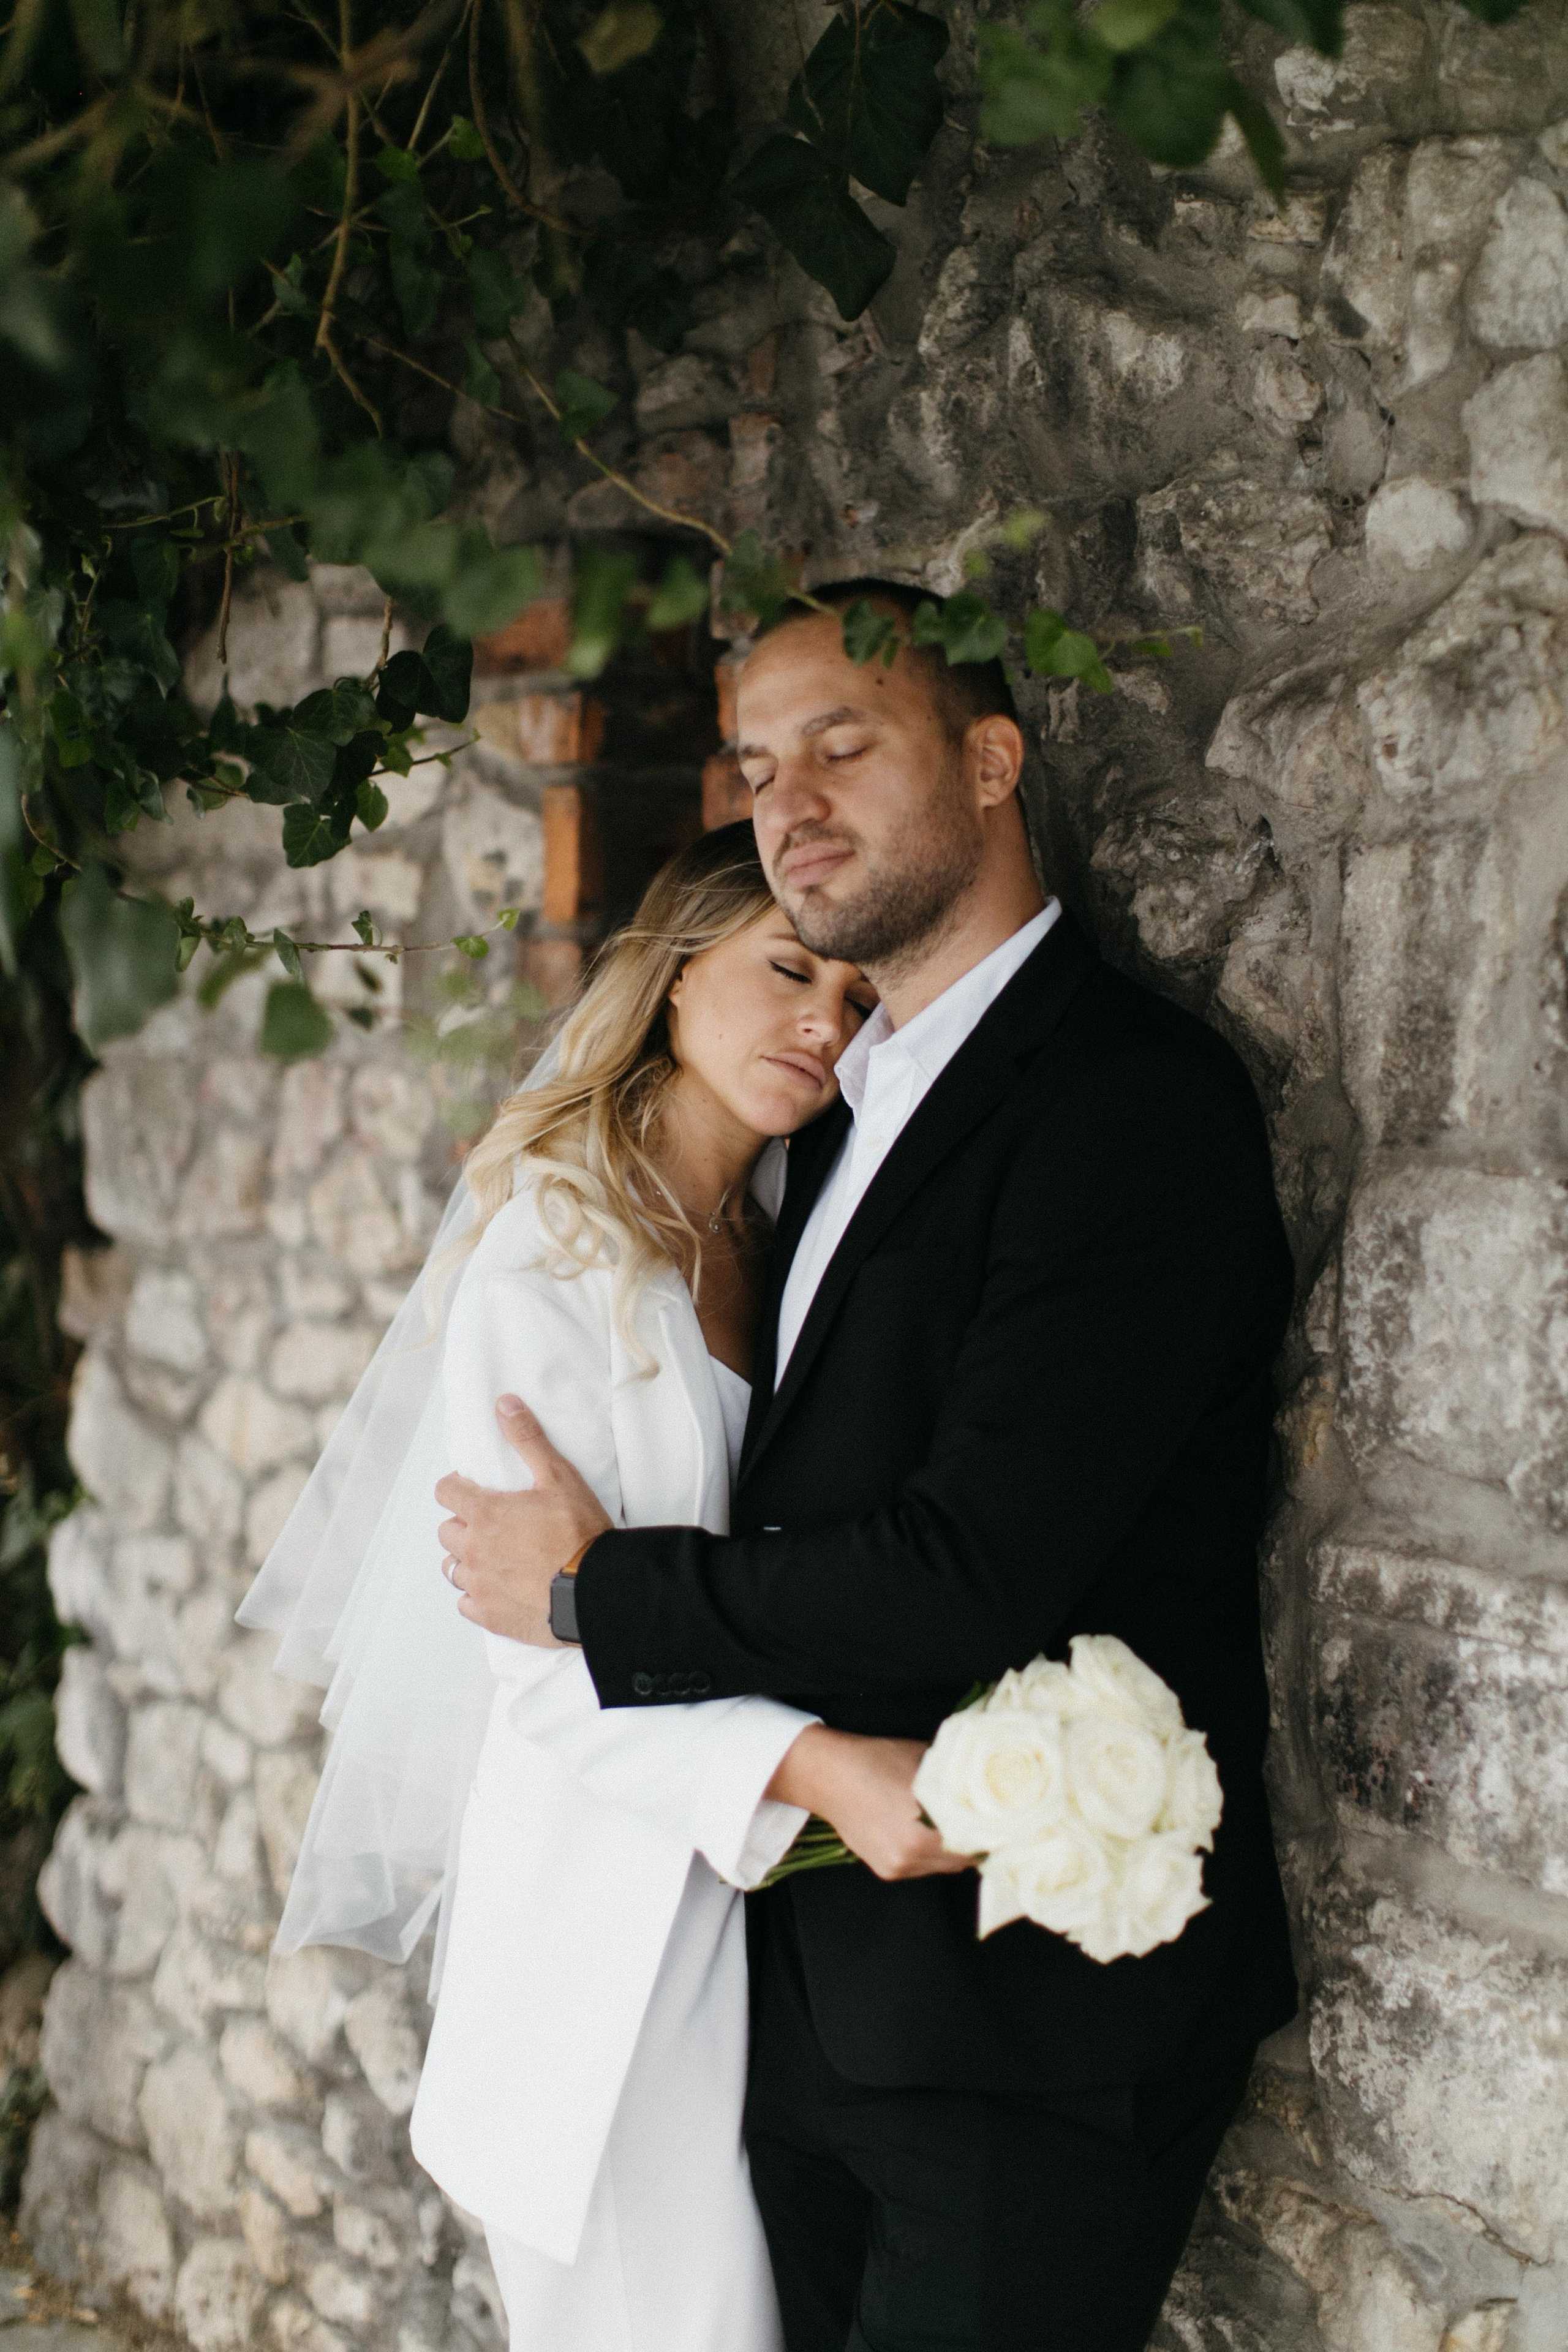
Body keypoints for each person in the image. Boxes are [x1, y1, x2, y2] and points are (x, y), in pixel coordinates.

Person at [435, 579, 1301, 2352]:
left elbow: (966, 1564)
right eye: (758, 767)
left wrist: (601, 1596)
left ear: (993, 760)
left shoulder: (1123, 1104)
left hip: (1029, 2039)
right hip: (798, 2017)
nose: (791, 804)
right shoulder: (823, 1125)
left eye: (846, 745)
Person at [241, 823, 929, 2352]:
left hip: (764, 1933)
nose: (824, 1018)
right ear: (674, 975)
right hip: (608, 1941)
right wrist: (816, 1765)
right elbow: (542, 1668)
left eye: (853, 990)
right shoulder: (550, 1254)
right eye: (784, 969)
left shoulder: (790, 1232)